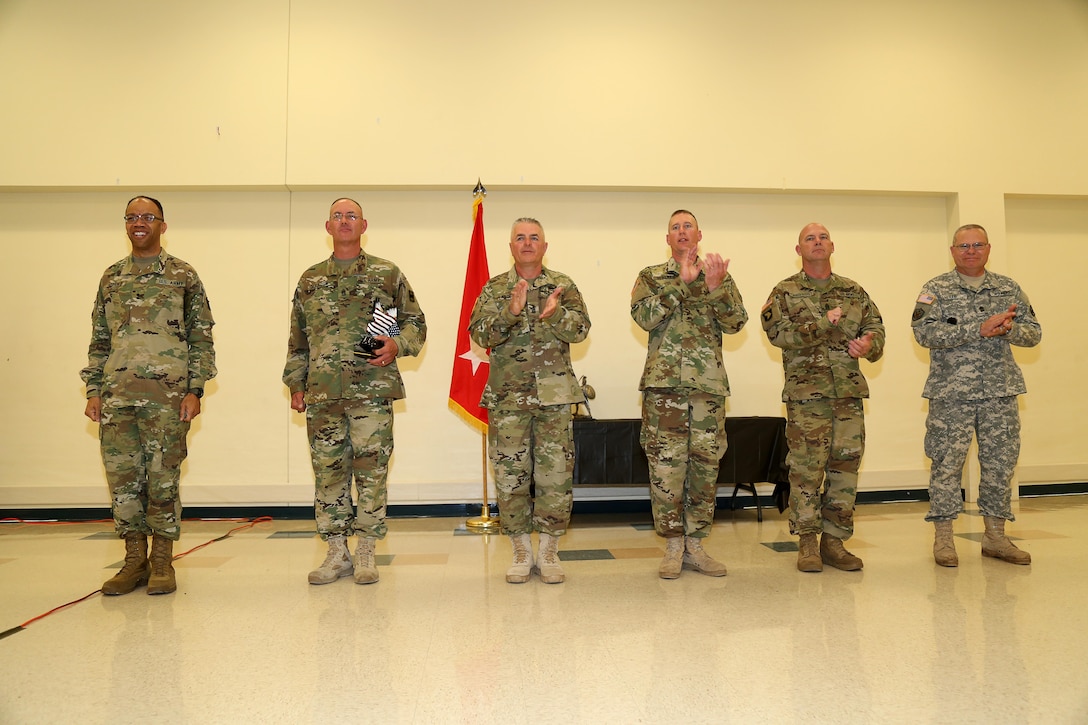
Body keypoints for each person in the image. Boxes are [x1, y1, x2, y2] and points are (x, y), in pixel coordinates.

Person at [283, 198, 427, 585]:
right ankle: (335, 552)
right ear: (327, 227)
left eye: (351, 216)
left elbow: (414, 322)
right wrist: (296, 383)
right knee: (328, 473)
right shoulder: (310, 280)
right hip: (323, 394)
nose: (344, 221)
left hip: (371, 390)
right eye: (337, 216)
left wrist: (398, 344)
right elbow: (299, 340)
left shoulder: (385, 273)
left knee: (371, 471)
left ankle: (365, 549)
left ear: (364, 225)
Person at [81, 196, 217, 596]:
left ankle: (161, 562)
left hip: (167, 399)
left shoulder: (182, 275)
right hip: (117, 398)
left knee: (162, 480)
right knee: (123, 482)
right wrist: (93, 389)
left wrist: (195, 390)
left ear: (162, 225)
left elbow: (201, 338)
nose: (139, 223)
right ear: (126, 225)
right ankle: (133, 561)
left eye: (147, 217)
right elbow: (99, 338)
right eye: (132, 217)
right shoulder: (111, 277)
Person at [469, 218, 590, 584]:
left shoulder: (563, 286)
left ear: (544, 246)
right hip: (508, 400)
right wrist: (510, 312)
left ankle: (549, 552)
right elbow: (477, 332)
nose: (526, 243)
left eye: (533, 237)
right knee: (511, 478)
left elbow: (582, 329)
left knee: (555, 477)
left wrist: (557, 315)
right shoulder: (494, 289)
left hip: (554, 398)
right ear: (511, 247)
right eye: (519, 238)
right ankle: (521, 550)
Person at [912, 223, 1041, 567]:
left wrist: (1011, 328)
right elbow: (923, 333)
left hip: (1000, 391)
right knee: (946, 465)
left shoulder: (1008, 288)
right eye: (963, 245)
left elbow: (1034, 333)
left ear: (988, 248)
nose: (971, 251)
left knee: (1000, 464)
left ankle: (996, 537)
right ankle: (943, 539)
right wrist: (977, 329)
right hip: (951, 394)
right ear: (952, 251)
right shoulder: (935, 289)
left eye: (977, 244)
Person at [761, 222, 884, 573]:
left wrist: (869, 344)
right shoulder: (784, 292)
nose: (818, 242)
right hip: (807, 397)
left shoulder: (853, 291)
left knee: (845, 468)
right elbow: (777, 334)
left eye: (823, 237)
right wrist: (821, 325)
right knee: (806, 471)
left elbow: (876, 327)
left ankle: (835, 541)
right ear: (798, 250)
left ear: (833, 246)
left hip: (847, 395)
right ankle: (808, 542)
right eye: (809, 239)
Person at [631, 210, 747, 579]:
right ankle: (672, 546)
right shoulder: (651, 276)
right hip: (664, 392)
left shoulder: (719, 276)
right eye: (675, 227)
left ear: (699, 235)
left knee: (704, 469)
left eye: (688, 226)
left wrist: (715, 288)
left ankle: (696, 546)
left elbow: (737, 322)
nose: (682, 232)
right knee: (665, 470)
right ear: (667, 238)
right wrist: (680, 283)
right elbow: (643, 317)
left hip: (707, 391)